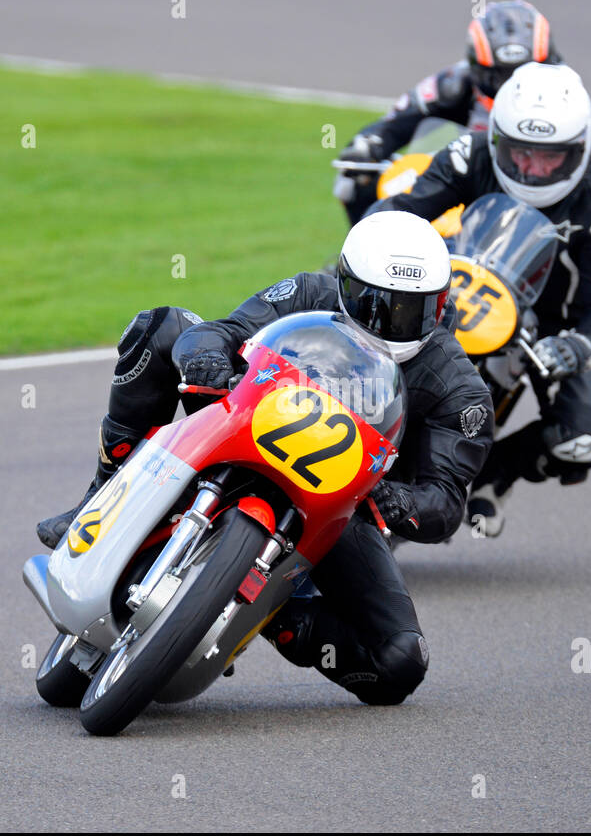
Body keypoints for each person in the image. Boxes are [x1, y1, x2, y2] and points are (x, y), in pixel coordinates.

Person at [35, 211, 494, 705]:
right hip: (243, 424)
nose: (391, 323)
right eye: (377, 305)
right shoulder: (306, 292)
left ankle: (279, 616)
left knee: (400, 662)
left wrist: (397, 498)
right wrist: (206, 356)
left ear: (441, 304)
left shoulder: (460, 391)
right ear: (345, 283)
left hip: (341, 507)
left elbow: (445, 502)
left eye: (411, 311)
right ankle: (100, 492)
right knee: (161, 327)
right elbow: (223, 329)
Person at [365, 61, 591, 537]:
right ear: (497, 140)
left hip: (551, 326)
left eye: (549, 157)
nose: (531, 167)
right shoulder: (471, 155)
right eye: (520, 152)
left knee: (581, 441)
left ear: (577, 151)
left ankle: (490, 477)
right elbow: (400, 213)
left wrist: (577, 347)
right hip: (463, 286)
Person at [334, 0, 562, 224]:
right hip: (466, 181)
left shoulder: (566, 95)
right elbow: (397, 120)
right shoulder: (453, 83)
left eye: (522, 73)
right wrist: (369, 144)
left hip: (536, 189)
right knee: (352, 183)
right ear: (475, 66)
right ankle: (361, 253)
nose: (511, 86)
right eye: (498, 76)